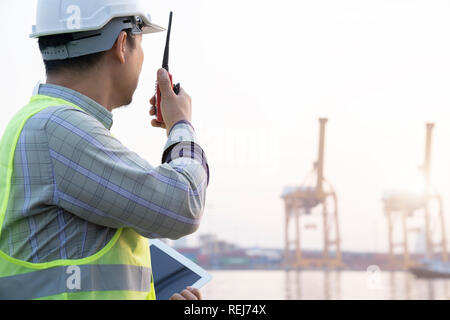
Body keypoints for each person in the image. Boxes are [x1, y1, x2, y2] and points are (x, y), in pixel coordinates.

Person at [0, 0, 209, 300]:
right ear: (122, 44)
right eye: (140, 43)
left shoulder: (36, 123)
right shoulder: (58, 128)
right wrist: (181, 125)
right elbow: (184, 204)